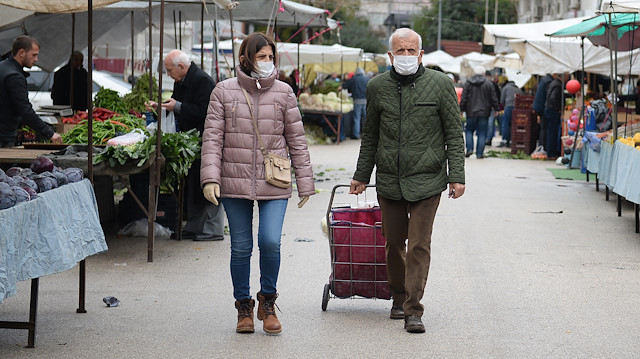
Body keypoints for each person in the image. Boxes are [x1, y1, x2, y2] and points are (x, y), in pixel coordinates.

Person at [349, 28, 465, 334]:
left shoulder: (441, 85)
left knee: (418, 246)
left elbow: (454, 133)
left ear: (421, 54)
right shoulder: (376, 87)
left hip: (428, 180)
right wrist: (361, 175)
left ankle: (414, 309)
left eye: (411, 51)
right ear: (390, 55)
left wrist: (457, 176)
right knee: (393, 245)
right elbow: (370, 136)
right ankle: (398, 298)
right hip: (390, 180)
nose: (405, 56)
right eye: (399, 51)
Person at [200, 32, 315, 335]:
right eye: (260, 56)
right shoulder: (223, 92)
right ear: (245, 59)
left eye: (270, 57)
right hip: (233, 179)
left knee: (269, 241)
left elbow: (297, 141)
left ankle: (268, 300)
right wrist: (210, 178)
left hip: (274, 181)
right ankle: (243, 306)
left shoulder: (284, 92)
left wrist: (305, 182)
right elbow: (212, 139)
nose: (267, 62)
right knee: (241, 247)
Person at [147, 49, 224, 241]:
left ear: (181, 67)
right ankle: (195, 226)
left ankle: (213, 229)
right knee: (193, 185)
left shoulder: (202, 81)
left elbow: (207, 112)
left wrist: (178, 107)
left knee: (208, 181)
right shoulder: (181, 81)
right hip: (190, 140)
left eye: (169, 70)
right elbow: (177, 102)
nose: (168, 74)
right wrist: (162, 106)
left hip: (206, 139)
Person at [0, 35, 62, 147]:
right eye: (34, 55)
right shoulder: (15, 77)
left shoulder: (3, 67)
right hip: (4, 137)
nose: (36, 60)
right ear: (22, 52)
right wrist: (49, 133)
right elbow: (24, 109)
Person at [459, 65, 500, 158]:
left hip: (471, 111)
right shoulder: (488, 83)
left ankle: (469, 149)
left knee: (469, 130)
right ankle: (479, 154)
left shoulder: (468, 83)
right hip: (484, 112)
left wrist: (461, 109)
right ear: (483, 73)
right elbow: (493, 97)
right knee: (482, 132)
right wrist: (496, 108)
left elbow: (464, 97)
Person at [544, 73, 568, 159]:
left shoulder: (554, 83)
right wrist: (558, 108)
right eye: (567, 77)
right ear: (563, 77)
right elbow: (553, 98)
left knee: (551, 132)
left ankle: (550, 152)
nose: (567, 79)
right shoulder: (558, 85)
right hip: (552, 110)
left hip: (549, 109)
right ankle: (551, 153)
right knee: (552, 132)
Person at [342, 67, 369, 139]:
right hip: (366, 101)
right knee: (367, 118)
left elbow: (344, 86)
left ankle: (356, 134)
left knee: (357, 118)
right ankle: (367, 135)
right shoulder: (367, 79)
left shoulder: (353, 79)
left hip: (357, 101)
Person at [499, 79, 523, 148]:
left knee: (505, 123)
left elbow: (502, 100)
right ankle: (512, 140)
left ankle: (504, 140)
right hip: (517, 109)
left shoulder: (506, 88)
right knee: (514, 124)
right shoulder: (519, 89)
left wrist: (502, 106)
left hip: (508, 107)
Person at [532, 73, 553, 148]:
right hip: (542, 107)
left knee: (543, 127)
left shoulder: (545, 79)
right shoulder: (549, 81)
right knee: (544, 128)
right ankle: (543, 146)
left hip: (539, 106)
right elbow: (549, 96)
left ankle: (542, 145)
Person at [485, 71, 501, 146]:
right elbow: (497, 97)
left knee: (485, 124)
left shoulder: (483, 84)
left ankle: (486, 139)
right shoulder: (494, 85)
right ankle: (488, 139)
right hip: (491, 107)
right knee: (490, 124)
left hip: (484, 107)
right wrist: (496, 108)